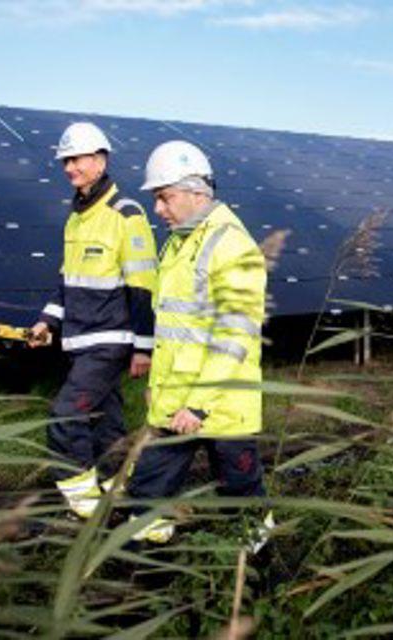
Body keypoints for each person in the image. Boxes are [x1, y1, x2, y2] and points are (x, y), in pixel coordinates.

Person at [127, 140, 271, 547]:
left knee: (241, 499)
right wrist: (160, 386)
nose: (158, 210)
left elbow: (234, 332)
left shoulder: (231, 244)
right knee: (146, 495)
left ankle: (261, 578)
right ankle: (147, 574)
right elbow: (174, 328)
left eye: (164, 197)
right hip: (174, 404)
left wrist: (200, 402)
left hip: (220, 407)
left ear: (196, 192)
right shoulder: (176, 242)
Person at [28, 122, 158, 519]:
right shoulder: (76, 218)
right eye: (65, 160)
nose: (69, 167)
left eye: (77, 159)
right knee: (105, 424)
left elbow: (143, 285)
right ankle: (123, 490)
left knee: (66, 416)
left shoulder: (126, 214)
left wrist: (143, 346)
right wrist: (46, 322)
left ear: (100, 161)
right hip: (78, 339)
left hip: (109, 341)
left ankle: (84, 505)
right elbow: (68, 281)